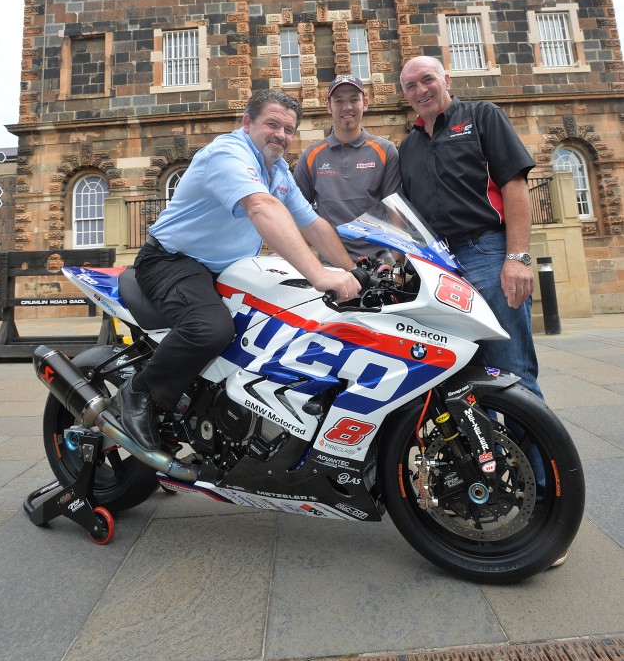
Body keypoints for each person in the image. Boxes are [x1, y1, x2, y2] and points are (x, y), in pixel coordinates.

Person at [113, 89, 362, 452]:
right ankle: (138, 394)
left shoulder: (276, 170)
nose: (280, 134)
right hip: (172, 261)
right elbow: (260, 206)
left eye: (288, 129)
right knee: (210, 329)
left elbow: (312, 223)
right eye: (272, 123)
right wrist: (321, 276)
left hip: (225, 270)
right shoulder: (227, 153)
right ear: (247, 123)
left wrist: (355, 269)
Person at [398, 55, 543, 401]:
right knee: (464, 382)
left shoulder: (482, 116)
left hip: (488, 255)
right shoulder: (408, 147)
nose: (421, 90)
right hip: (441, 269)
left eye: (427, 79)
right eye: (411, 86)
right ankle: (491, 456)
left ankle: (541, 457)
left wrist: (518, 257)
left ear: (446, 79)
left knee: (512, 376)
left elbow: (515, 184)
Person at [294, 75, 401, 260]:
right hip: (332, 265)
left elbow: (396, 212)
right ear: (329, 106)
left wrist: (398, 266)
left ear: (365, 103)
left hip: (380, 265)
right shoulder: (312, 155)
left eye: (354, 99)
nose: (347, 107)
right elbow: (294, 211)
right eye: (339, 101)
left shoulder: (385, 150)